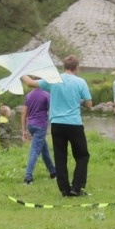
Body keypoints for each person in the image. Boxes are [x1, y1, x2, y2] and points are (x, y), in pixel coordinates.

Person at [21, 55, 92, 197]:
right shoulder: (80, 82)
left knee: (60, 157)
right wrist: (80, 100)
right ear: (77, 68)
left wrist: (21, 71)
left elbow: (30, 83)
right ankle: (76, 188)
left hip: (57, 124)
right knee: (82, 155)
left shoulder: (53, 80)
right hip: (74, 124)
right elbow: (89, 104)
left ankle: (65, 190)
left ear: (64, 67)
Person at [20, 85, 57, 184]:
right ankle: (28, 178)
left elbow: (24, 113)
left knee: (44, 150)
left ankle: (53, 172)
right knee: (35, 151)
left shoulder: (29, 95)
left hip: (31, 125)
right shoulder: (46, 95)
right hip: (40, 126)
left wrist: (24, 130)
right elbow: (53, 111)